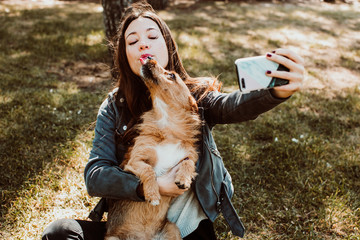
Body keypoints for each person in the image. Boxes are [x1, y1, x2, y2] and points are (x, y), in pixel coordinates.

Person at [41, 1, 305, 240]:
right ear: (125, 56)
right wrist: (149, 186)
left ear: (167, 46)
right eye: (132, 41)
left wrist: (275, 92)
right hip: (130, 229)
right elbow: (96, 175)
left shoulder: (194, 97)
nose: (143, 44)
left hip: (181, 228)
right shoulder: (114, 106)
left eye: (152, 37)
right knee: (59, 233)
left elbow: (230, 106)